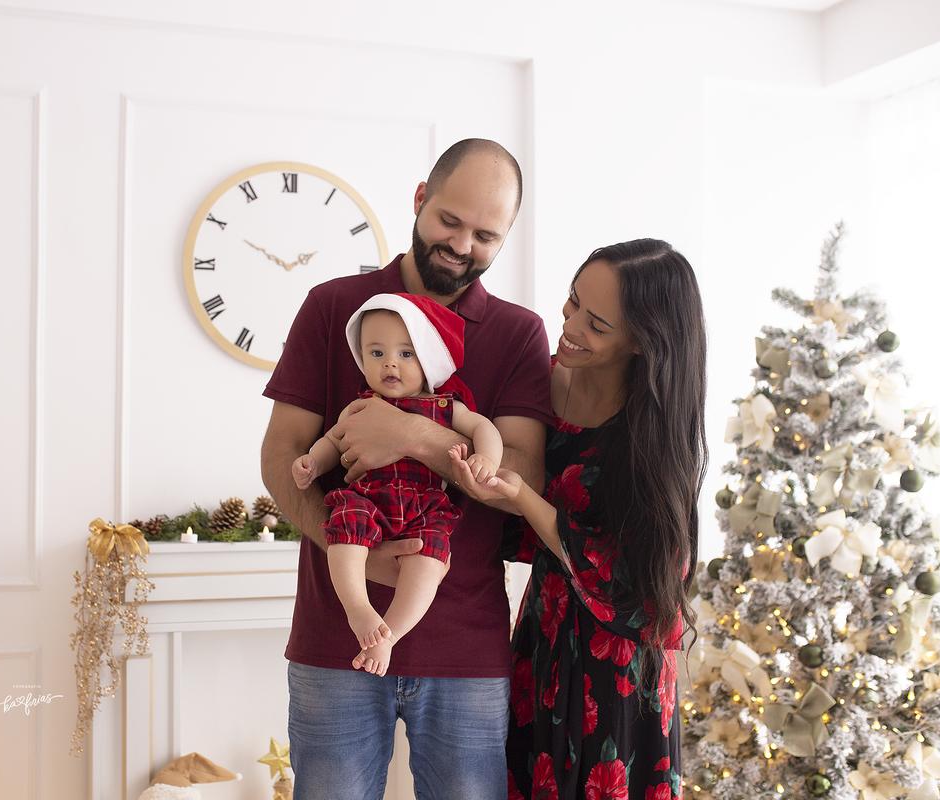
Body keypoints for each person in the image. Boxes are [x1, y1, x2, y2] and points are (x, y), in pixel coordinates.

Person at [261, 138, 554, 799]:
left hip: (467, 647)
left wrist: (416, 435)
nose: (461, 245)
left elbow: (525, 474)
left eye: (485, 234)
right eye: (450, 221)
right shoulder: (334, 306)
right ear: (420, 200)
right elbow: (282, 457)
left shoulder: (516, 334)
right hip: (336, 636)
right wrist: (357, 557)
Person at [450, 238, 708, 799]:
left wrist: (523, 496)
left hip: (616, 672)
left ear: (642, 342)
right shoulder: (536, 384)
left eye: (596, 324)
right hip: (540, 642)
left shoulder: (655, 431)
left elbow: (639, 585)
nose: (569, 324)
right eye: (572, 302)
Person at [292, 292, 504, 677]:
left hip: (425, 506)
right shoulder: (360, 406)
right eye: (376, 353)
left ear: (429, 359)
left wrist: (486, 458)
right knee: (344, 530)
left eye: (406, 354)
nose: (390, 362)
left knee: (430, 557)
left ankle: (390, 634)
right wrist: (312, 462)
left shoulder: (443, 406)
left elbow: (483, 427)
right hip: (368, 498)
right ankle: (358, 608)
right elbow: (333, 439)